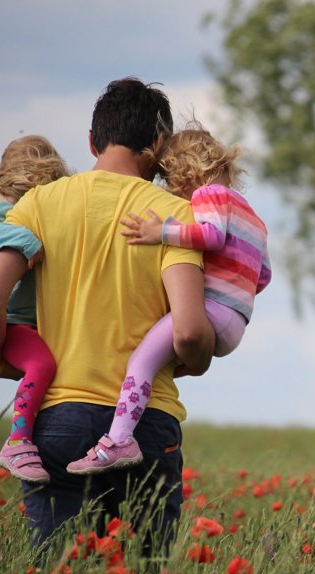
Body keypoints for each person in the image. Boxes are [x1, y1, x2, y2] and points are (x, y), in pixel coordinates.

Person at [0, 77, 215, 552]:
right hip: (145, 425)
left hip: (57, 419)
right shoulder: (174, 216)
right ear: (159, 145)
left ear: (91, 141)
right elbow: (188, 331)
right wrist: (199, 358)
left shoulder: (38, 204)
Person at [66, 123, 272, 475]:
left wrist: (159, 232)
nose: (169, 188)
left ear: (186, 170)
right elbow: (263, 275)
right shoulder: (253, 217)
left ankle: (118, 440)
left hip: (211, 310)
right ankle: (130, 420)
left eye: (169, 177)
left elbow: (210, 235)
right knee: (157, 364)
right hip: (236, 320)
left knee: (140, 362)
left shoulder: (210, 195)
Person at [0, 135, 69, 484]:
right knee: (42, 364)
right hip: (10, 323)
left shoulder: (18, 213)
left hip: (27, 323)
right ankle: (18, 441)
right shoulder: (0, 218)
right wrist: (28, 241)